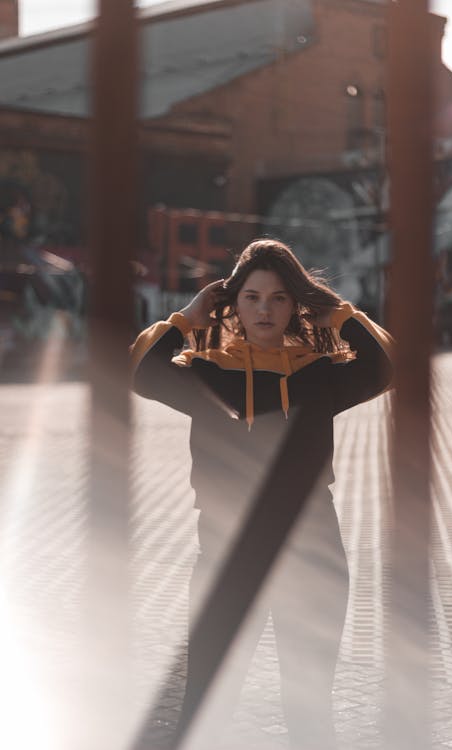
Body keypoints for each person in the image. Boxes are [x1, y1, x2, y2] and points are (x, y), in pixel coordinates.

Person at [130, 239, 394, 750]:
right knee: (205, 702)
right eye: (251, 297)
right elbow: (140, 371)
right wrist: (185, 318)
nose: (264, 309)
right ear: (233, 303)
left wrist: (337, 311)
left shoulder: (319, 373)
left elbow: (385, 365)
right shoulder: (205, 372)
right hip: (226, 549)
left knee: (309, 708)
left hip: (312, 546)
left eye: (278, 297)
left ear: (297, 304)